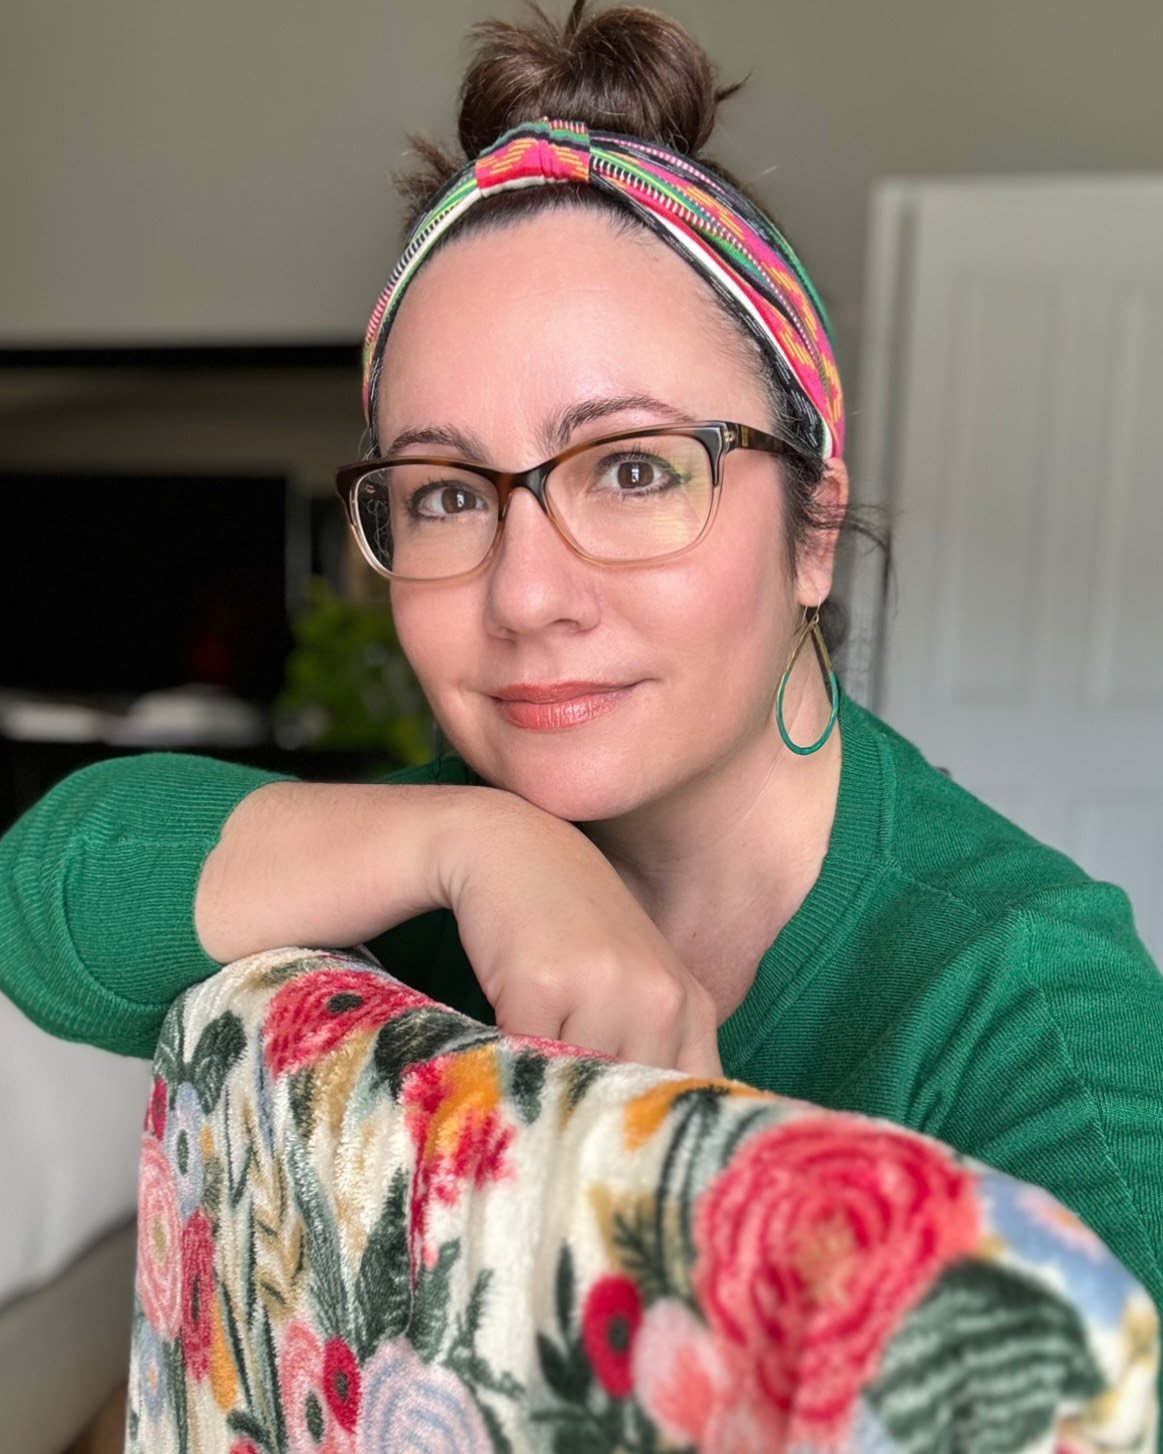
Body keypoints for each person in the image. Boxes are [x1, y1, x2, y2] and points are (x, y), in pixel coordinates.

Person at [2, 0, 1161, 1350]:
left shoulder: (1026, 1012)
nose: (527, 596)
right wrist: (474, 839)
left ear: (816, 531)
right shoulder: (434, 854)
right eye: (444, 493)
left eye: (630, 468)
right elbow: (49, 893)